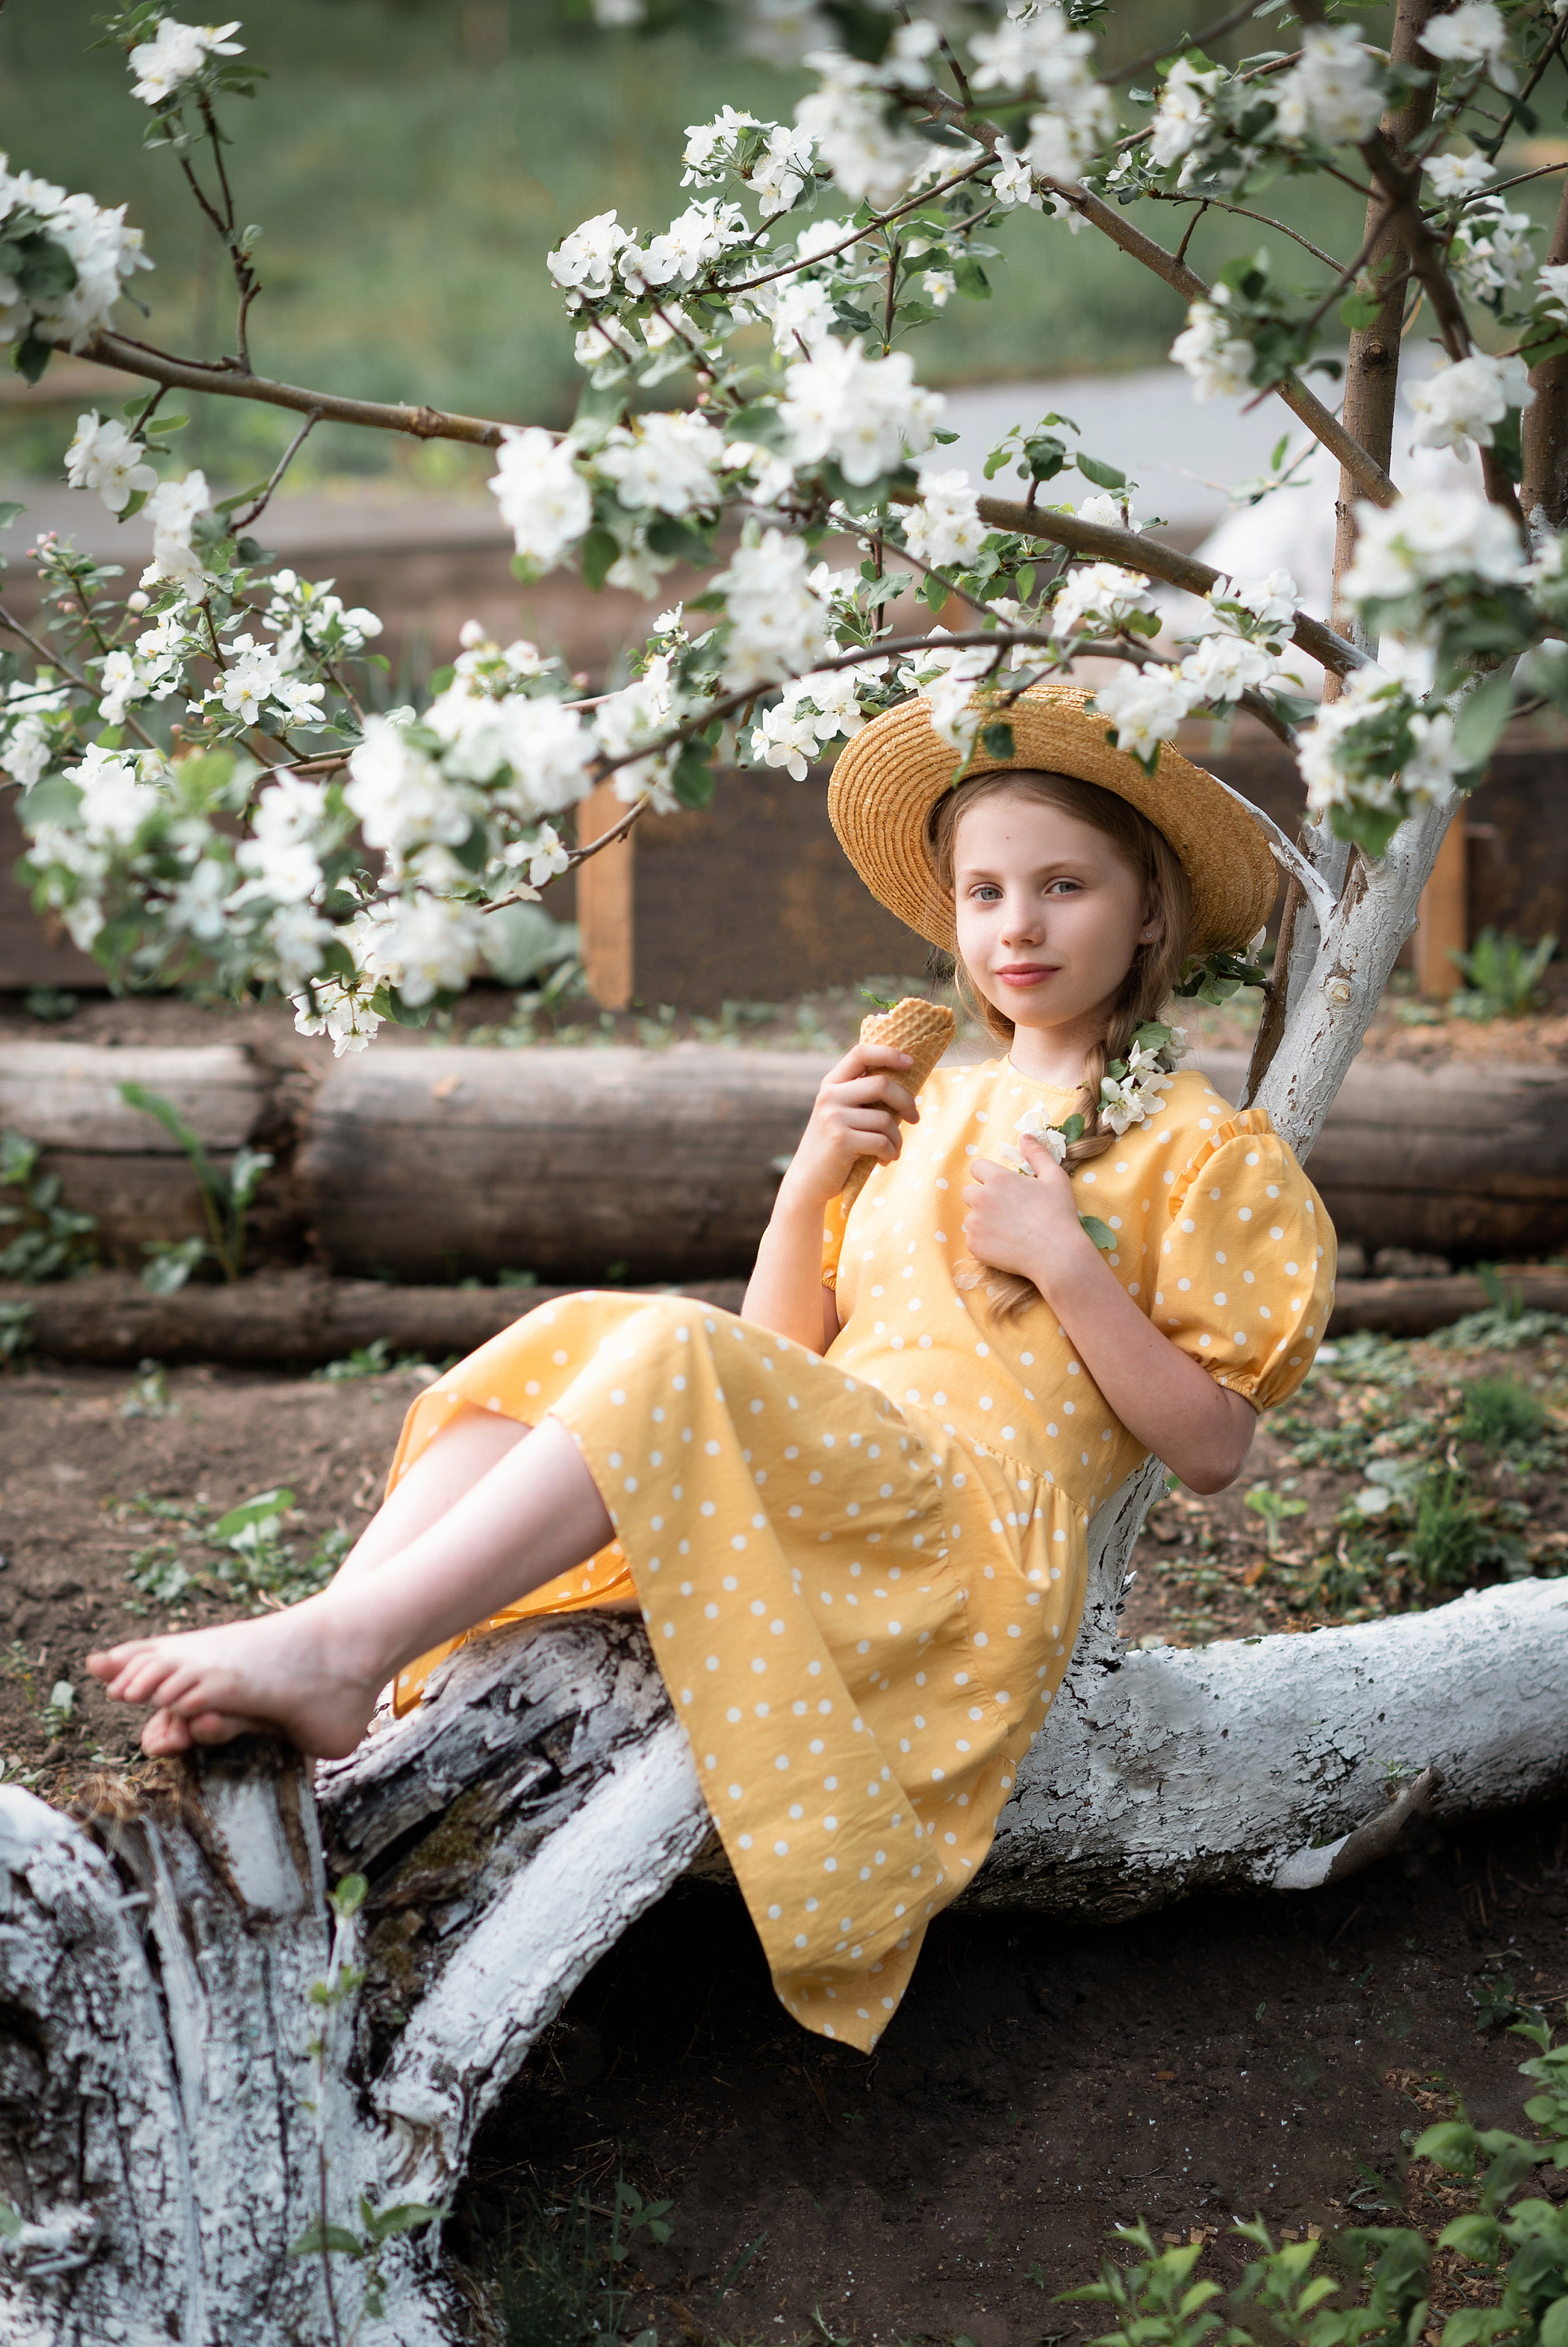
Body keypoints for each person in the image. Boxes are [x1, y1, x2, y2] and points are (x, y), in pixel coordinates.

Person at [88, 685, 1335, 2050]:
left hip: (961, 1530)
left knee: (665, 1345)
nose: (1016, 926)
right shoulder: (935, 1099)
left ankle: (342, 1650)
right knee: (580, 1330)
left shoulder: (1199, 1148)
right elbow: (772, 1351)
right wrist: (810, 1180)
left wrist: (1065, 1259)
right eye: (982, 891)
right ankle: (350, 1650)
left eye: (1062, 886)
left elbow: (1212, 1445)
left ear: (1147, 909)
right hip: (851, 1460)